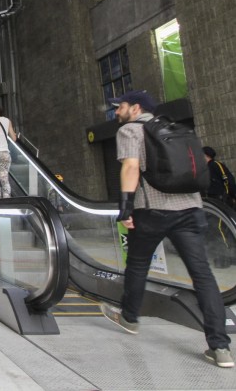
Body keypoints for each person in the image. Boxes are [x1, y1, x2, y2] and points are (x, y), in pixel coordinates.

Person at [99, 90, 233, 368]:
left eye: (120, 106)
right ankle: (220, 347)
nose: (117, 111)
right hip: (191, 209)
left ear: (135, 109)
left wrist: (125, 208)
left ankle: (130, 318)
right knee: (203, 275)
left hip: (153, 211)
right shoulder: (178, 129)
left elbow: (131, 168)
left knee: (137, 265)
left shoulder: (131, 131)